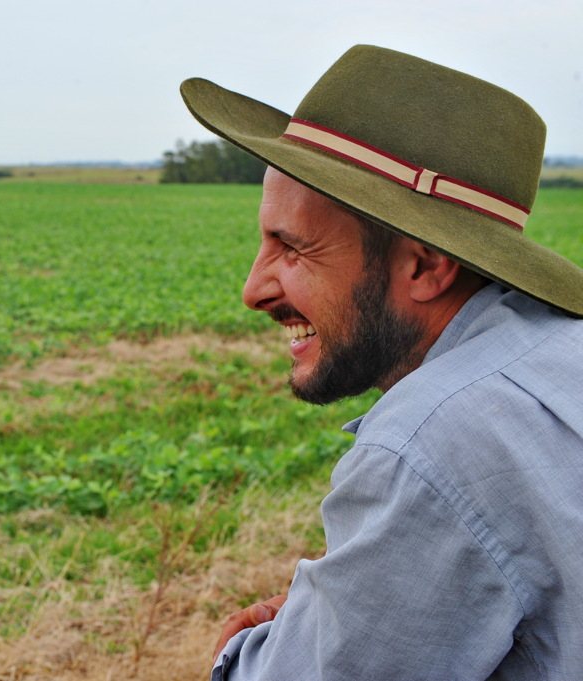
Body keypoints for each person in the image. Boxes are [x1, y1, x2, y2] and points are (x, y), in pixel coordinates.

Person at [179, 45, 583, 679]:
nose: (253, 289)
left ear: (423, 264)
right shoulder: (559, 355)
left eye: (293, 248)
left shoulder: (434, 444)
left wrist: (275, 645)